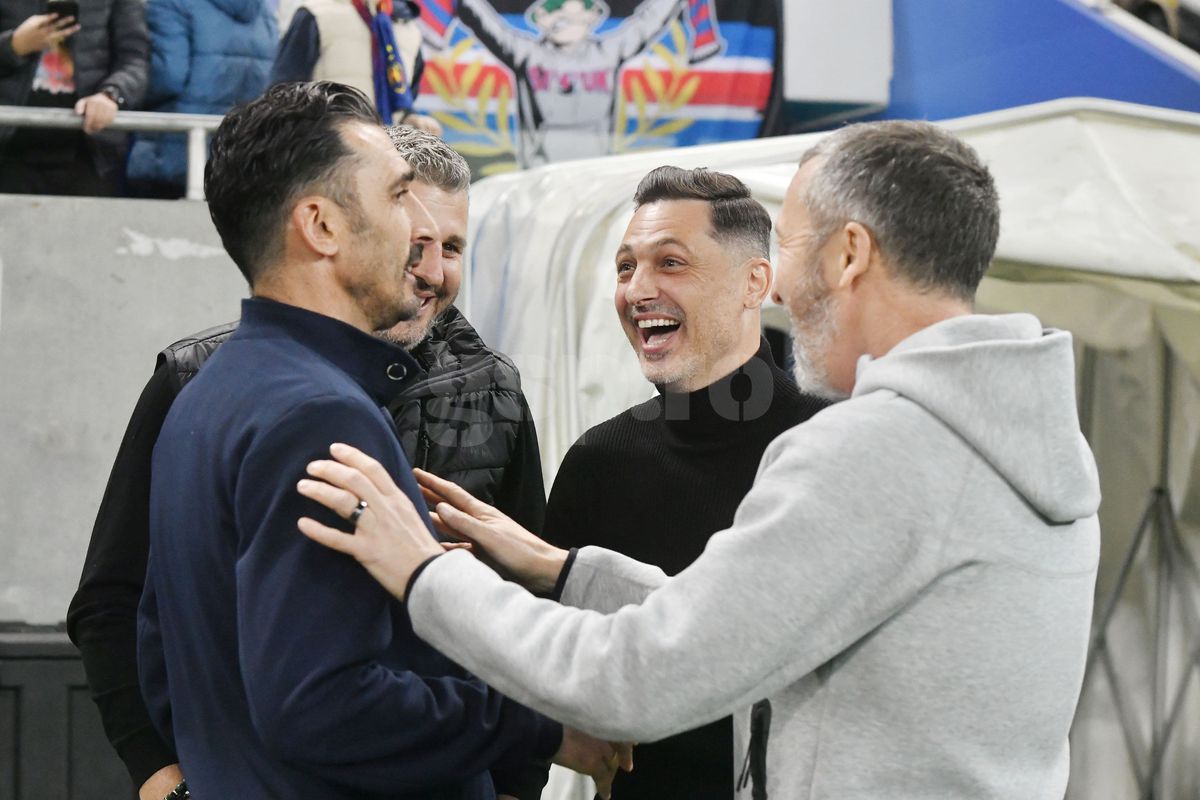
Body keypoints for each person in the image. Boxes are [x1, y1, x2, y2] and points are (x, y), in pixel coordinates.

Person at [298, 120, 1103, 799]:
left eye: (793, 246)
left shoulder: (878, 450)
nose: (783, 289)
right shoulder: (1019, 436)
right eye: (627, 266)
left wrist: (424, 572)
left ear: (850, 253)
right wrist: (564, 569)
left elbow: (637, 677)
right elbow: (748, 628)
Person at [133, 81, 625, 799]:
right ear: (321, 226)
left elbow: (162, 654)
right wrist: (534, 725)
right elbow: (321, 704)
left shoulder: (213, 392)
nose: (417, 235)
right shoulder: (319, 414)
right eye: (397, 197)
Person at [542, 165, 827, 798]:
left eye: (670, 263)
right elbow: (547, 667)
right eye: (625, 267)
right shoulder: (599, 461)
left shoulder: (832, 446)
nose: (638, 290)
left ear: (756, 282)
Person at [125, 0, 277, 198]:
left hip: (174, 149)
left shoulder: (171, 3)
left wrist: (125, 95)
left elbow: (168, 76)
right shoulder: (263, 10)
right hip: (240, 156)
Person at [0, 0, 147, 195]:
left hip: (90, 147)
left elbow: (136, 61)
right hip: (9, 144)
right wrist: (14, 45)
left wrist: (110, 94)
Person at [271, 0, 442, 134]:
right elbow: (282, 94)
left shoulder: (409, 29)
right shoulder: (317, 14)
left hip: (386, 155)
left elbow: (405, 98)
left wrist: (411, 119)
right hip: (324, 153)